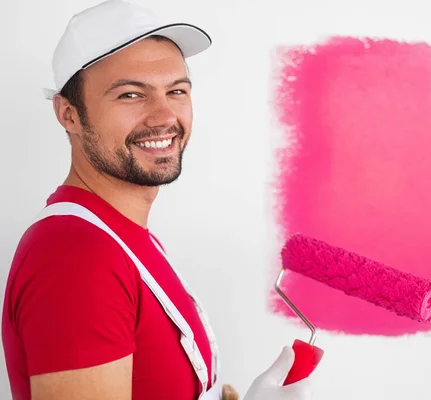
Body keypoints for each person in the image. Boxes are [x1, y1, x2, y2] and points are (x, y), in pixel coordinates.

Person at [1, 1, 314, 399]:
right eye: (131, 94)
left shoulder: (125, 239)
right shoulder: (76, 255)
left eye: (176, 90)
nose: (163, 115)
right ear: (69, 114)